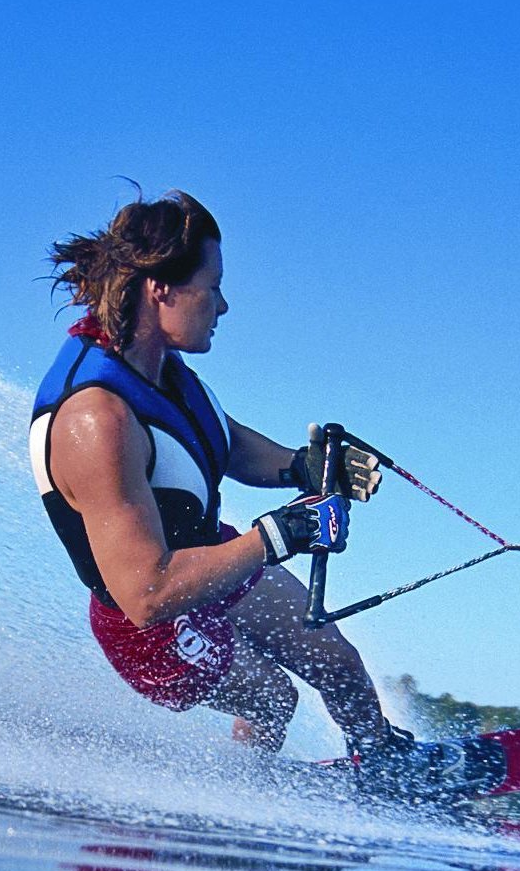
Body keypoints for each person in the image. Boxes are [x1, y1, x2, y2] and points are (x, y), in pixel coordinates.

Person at [30, 189, 403, 761]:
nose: (223, 305)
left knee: (340, 665)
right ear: (162, 289)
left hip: (212, 558)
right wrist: (280, 536)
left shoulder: (158, 367)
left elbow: (219, 441)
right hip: (147, 626)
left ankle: (383, 766)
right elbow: (147, 594)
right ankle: (240, 801)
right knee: (274, 698)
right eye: (213, 287)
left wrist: (303, 468)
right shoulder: (96, 419)